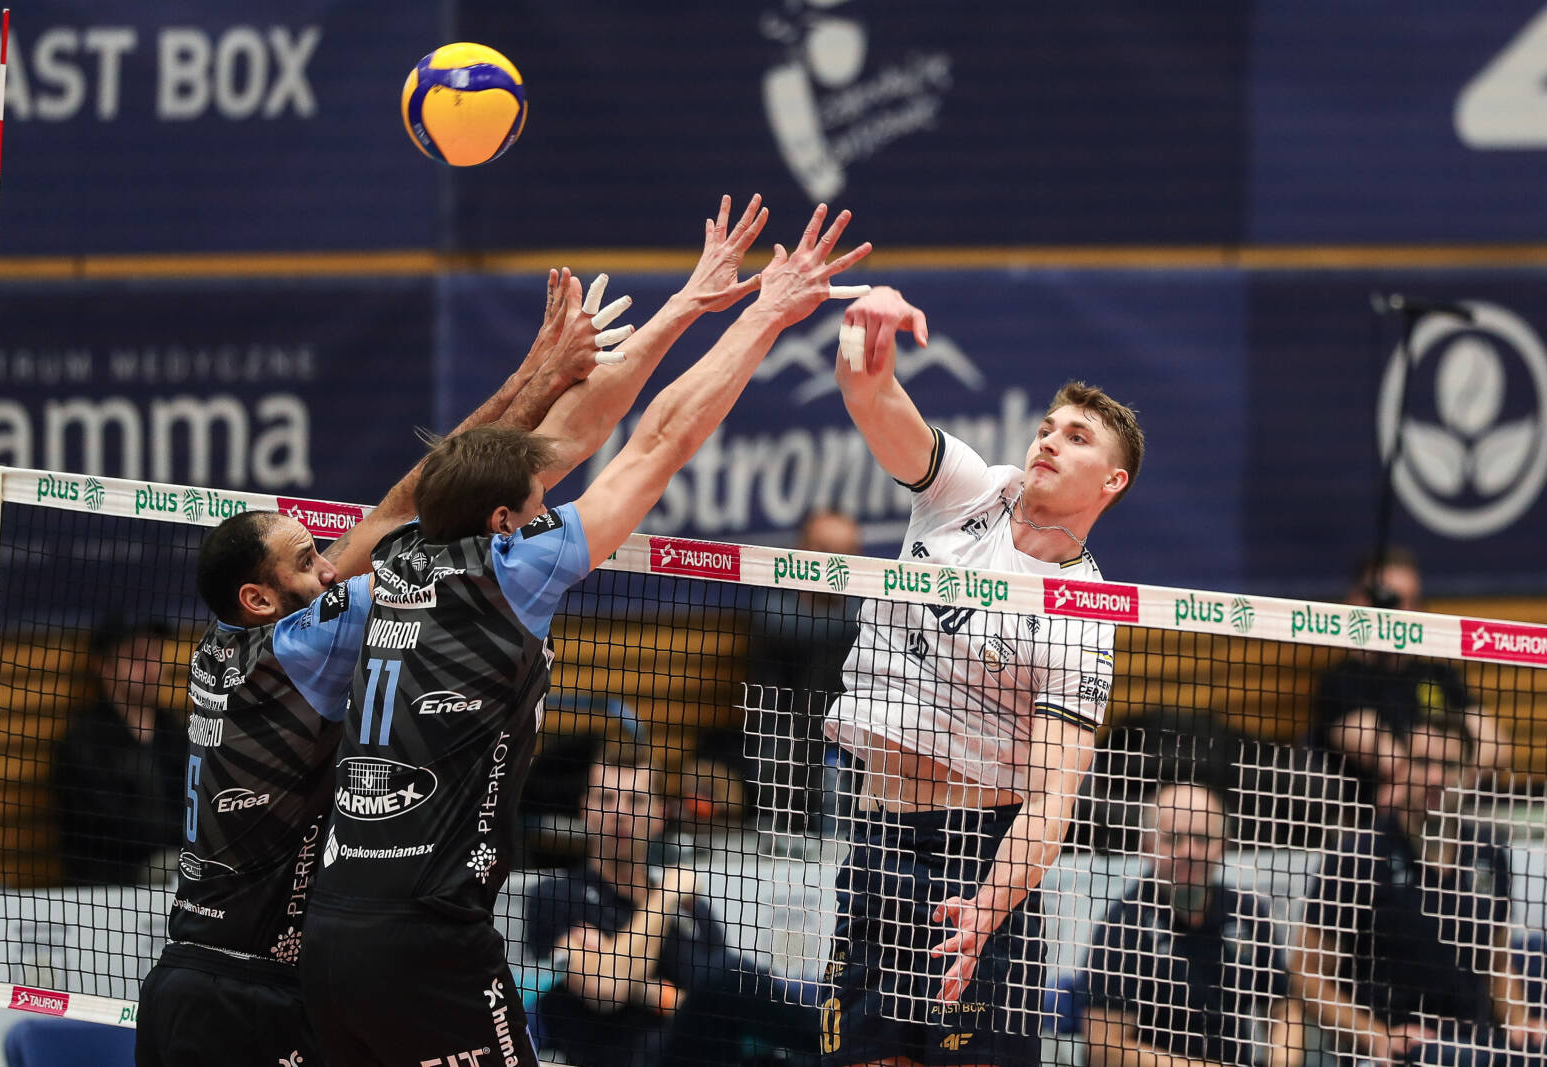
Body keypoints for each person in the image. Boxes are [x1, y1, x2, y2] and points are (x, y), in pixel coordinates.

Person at [298, 200, 871, 1067]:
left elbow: (562, 436)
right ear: (503, 521)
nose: (551, 494)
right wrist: (764, 314)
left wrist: (686, 302)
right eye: (537, 498)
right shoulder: (512, 569)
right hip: (428, 933)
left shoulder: (379, 564)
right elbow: (658, 440)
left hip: (329, 924)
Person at [135, 263, 636, 1067]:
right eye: (309, 561)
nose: (331, 566)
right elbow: (428, 513)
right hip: (248, 998)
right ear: (259, 597)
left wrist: (534, 372)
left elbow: (404, 507)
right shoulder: (302, 645)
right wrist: (547, 385)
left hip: (187, 982)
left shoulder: (226, 646)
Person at [820, 286, 1145, 1067]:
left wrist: (985, 911)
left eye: (1076, 436)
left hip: (981, 859)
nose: (1050, 441)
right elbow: (869, 396)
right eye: (1046, 427)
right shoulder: (970, 491)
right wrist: (864, 337)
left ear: (1112, 481)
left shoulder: (1084, 614)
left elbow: (1052, 795)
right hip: (881, 839)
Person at [527, 742, 820, 1067]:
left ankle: (836, 1047)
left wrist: (648, 990)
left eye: (635, 800)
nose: (619, 813)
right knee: (727, 976)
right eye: (606, 798)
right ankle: (837, 1043)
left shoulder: (691, 910)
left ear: (659, 815)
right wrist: (665, 895)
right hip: (626, 1059)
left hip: (706, 1053)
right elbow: (606, 989)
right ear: (585, 808)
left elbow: (719, 1000)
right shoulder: (557, 896)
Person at [1295, 714, 1547, 1067]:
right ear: (1402, 769)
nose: (1435, 778)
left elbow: (1498, 962)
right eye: (1423, 763)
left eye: (1449, 766)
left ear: (1469, 776)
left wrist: (1519, 1023)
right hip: (1395, 1053)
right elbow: (1306, 975)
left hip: (1477, 1048)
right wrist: (1376, 1036)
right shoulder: (1356, 857)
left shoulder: (1489, 854)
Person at [1083, 783, 1301, 1067]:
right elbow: (1103, 1048)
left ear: (1223, 845)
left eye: (1202, 839)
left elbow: (1284, 1007)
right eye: (1174, 839)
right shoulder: (1123, 924)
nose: (1190, 851)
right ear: (1148, 847)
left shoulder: (1247, 912)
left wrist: (1283, 1059)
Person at [1311, 547, 1511, 803]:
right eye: (1387, 600)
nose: (1396, 611)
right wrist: (1441, 769)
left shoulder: (1440, 673)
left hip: (1447, 807)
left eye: (1407, 601)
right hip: (1375, 817)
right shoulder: (1341, 680)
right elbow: (1385, 758)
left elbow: (1494, 746)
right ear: (1356, 601)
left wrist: (1448, 783)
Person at [748, 509, 864, 839]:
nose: (836, 564)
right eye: (826, 552)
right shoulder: (775, 614)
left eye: (846, 553)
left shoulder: (866, 615)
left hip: (854, 743)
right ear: (802, 551)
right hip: (784, 745)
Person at [52, 618, 185, 886]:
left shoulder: (178, 733)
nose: (151, 668)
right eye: (136, 657)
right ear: (102, 665)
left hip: (176, 870)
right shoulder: (84, 742)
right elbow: (110, 827)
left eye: (155, 655)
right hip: (110, 884)